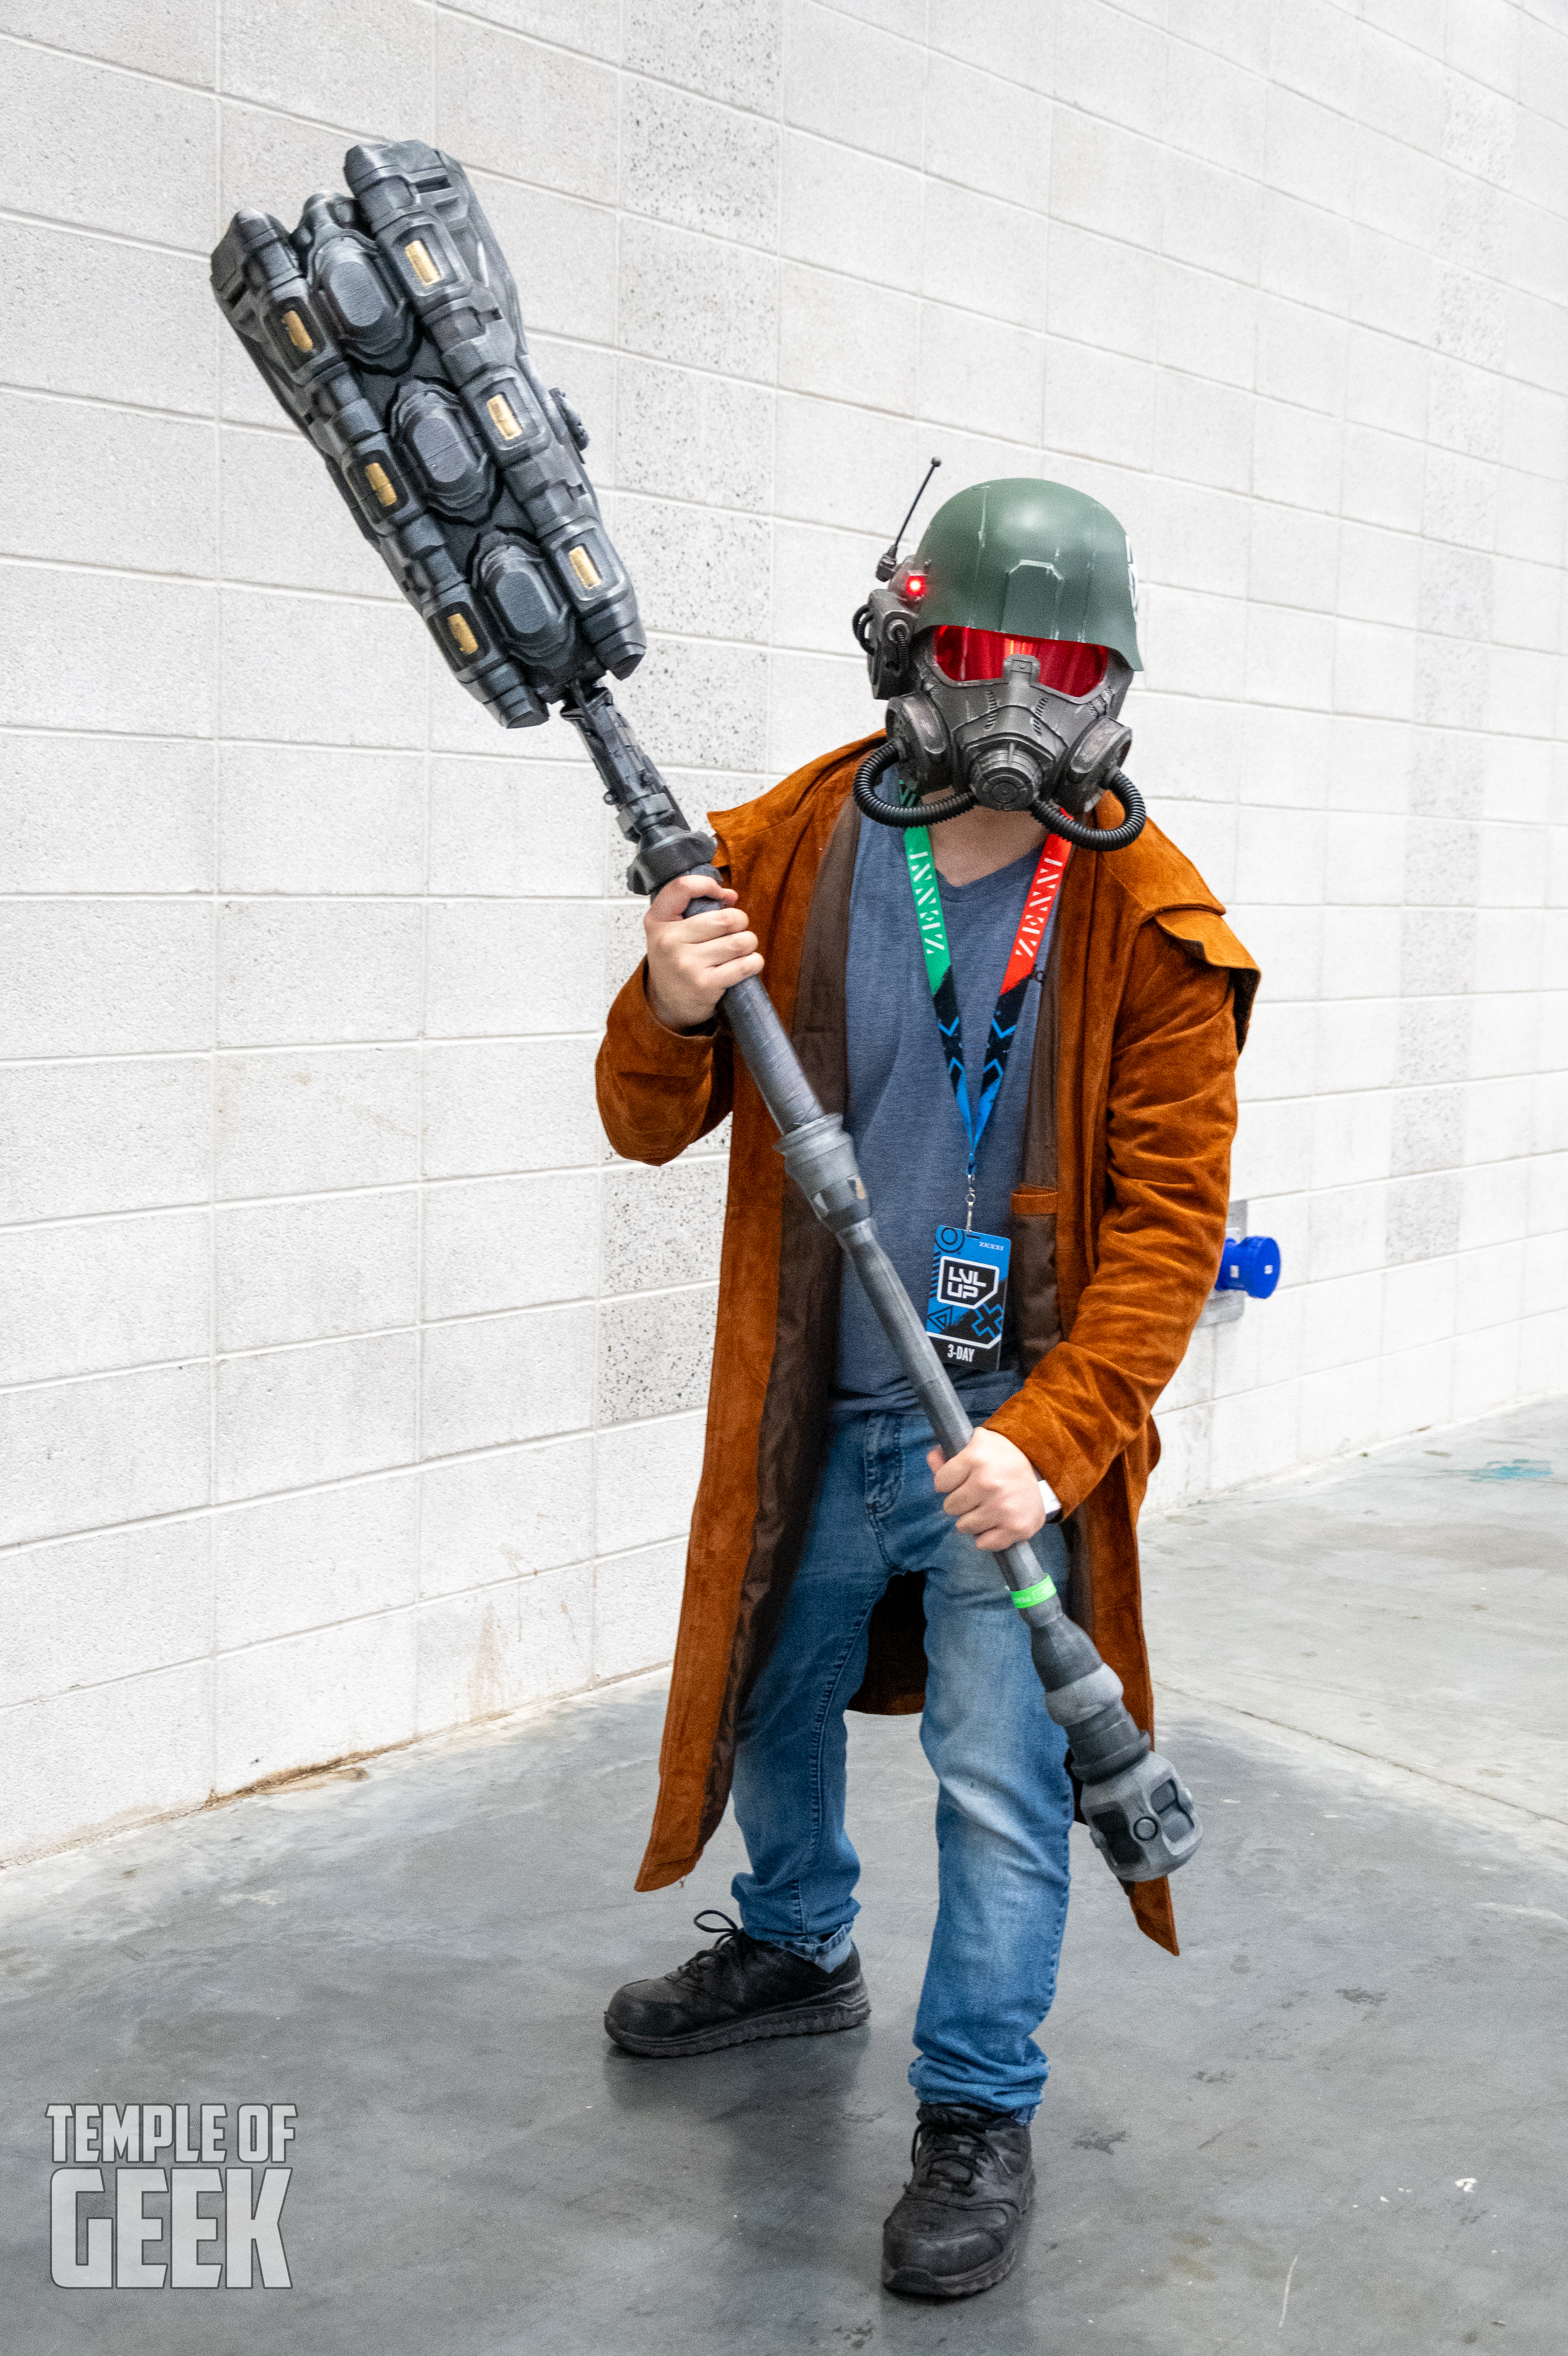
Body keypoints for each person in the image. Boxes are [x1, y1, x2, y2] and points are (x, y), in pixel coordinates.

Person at [594, 478, 1259, 2301]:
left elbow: (1168, 1233)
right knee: (774, 1688)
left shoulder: (1149, 917)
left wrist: (1050, 1447)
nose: (1022, 698)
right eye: (988, 651)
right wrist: (661, 998)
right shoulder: (791, 842)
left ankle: (977, 2100)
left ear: (1112, 678)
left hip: (1015, 1434)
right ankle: (801, 1940)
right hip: (831, 1395)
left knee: (998, 1764)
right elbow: (644, 1118)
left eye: (1064, 660)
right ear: (912, 643)